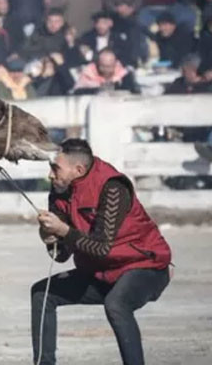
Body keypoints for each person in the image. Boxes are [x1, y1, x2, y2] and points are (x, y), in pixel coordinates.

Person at [32, 138, 172, 365]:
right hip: (101, 273)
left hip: (145, 267)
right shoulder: (59, 191)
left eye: (55, 168)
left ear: (78, 170)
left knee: (116, 304)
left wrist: (64, 230)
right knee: (42, 293)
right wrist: (49, 238)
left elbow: (101, 247)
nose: (50, 175)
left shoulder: (112, 187)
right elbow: (62, 255)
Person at [73, 48, 141, 94]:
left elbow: (134, 92)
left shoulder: (123, 75)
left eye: (109, 66)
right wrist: (97, 89)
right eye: (103, 66)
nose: (106, 69)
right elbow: (76, 92)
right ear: (98, 64)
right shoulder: (88, 73)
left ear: (115, 64)